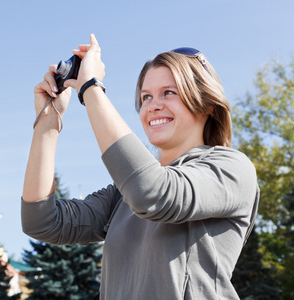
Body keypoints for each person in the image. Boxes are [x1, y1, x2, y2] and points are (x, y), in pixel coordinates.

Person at [21, 34, 259, 299]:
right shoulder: (122, 196)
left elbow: (153, 193)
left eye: (169, 92)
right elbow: (41, 221)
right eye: (145, 97)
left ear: (208, 106)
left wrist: (90, 88)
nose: (153, 106)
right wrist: (48, 122)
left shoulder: (232, 168)